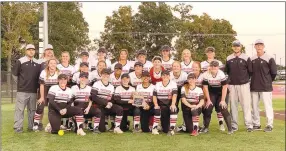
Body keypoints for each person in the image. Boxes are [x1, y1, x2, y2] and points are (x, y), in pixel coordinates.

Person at [225, 40, 253, 132]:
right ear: (232, 47)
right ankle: (234, 125)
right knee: (233, 105)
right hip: (232, 85)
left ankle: (249, 125)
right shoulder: (229, 58)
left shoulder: (246, 57)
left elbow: (250, 71)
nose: (236, 47)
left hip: (244, 84)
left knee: (246, 105)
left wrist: (245, 80)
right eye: (234, 46)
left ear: (240, 47)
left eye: (238, 46)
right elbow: (227, 71)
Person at [12, 44, 41, 133]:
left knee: (32, 110)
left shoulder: (38, 63)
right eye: (29, 49)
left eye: (33, 49)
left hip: (33, 91)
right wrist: (21, 84)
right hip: (22, 91)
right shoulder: (20, 61)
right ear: (26, 51)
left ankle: (31, 126)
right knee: (20, 109)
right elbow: (14, 75)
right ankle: (18, 127)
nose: (31, 51)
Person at [250, 39, 277, 132]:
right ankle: (256, 124)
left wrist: (268, 81)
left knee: (267, 106)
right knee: (254, 107)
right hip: (254, 86)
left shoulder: (269, 58)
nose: (259, 46)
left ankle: (269, 124)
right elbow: (250, 72)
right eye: (257, 45)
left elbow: (274, 73)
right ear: (254, 46)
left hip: (266, 87)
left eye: (260, 45)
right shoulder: (252, 58)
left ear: (263, 46)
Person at [201, 61, 233, 134]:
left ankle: (230, 129)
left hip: (222, 92)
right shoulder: (206, 74)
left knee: (223, 107)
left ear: (218, 67)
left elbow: (224, 87)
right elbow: (205, 87)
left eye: (215, 66)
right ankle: (206, 127)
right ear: (209, 67)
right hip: (212, 92)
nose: (213, 68)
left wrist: (222, 100)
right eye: (212, 66)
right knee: (208, 107)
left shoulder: (221, 74)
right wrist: (208, 100)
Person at [91, 69, 124, 133]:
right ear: (101, 75)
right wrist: (105, 103)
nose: (106, 76)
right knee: (102, 130)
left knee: (119, 109)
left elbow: (112, 98)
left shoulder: (111, 86)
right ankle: (97, 127)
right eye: (104, 74)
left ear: (109, 76)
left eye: (107, 74)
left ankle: (117, 127)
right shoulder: (96, 84)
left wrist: (111, 103)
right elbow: (94, 97)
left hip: (108, 106)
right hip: (99, 106)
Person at [200, 46, 226, 131]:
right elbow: (201, 76)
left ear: (214, 53)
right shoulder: (202, 63)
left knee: (219, 107)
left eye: (211, 52)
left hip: (218, 87)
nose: (210, 53)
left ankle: (221, 123)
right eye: (208, 52)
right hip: (208, 88)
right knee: (207, 107)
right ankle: (205, 125)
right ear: (206, 53)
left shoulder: (219, 62)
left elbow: (222, 75)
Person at [33, 58, 60, 132]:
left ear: (56, 64)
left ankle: (54, 124)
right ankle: (35, 124)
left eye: (54, 63)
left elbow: (59, 85)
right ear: (48, 64)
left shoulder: (59, 73)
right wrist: (42, 97)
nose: (53, 65)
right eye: (51, 63)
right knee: (40, 106)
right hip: (44, 90)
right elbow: (41, 85)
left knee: (54, 108)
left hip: (54, 91)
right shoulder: (44, 72)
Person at [152, 70, 178, 136]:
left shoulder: (173, 84)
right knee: (165, 129)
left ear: (169, 76)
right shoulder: (157, 84)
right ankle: (154, 128)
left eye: (167, 75)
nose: (165, 76)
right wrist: (156, 104)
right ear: (161, 76)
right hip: (161, 105)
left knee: (174, 109)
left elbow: (174, 95)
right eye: (163, 75)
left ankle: (172, 129)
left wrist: (173, 104)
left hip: (169, 105)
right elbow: (154, 96)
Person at [170, 61, 188, 132]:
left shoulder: (184, 74)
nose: (176, 67)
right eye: (174, 66)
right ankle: (172, 125)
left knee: (185, 108)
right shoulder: (170, 74)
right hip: (173, 92)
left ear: (180, 67)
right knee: (174, 107)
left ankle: (184, 124)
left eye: (177, 66)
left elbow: (187, 86)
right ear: (172, 67)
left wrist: (185, 95)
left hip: (183, 91)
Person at [106, 63, 123, 131]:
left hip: (119, 94)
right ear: (114, 69)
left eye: (119, 69)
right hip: (111, 94)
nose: (118, 70)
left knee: (117, 108)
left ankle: (115, 124)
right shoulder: (110, 76)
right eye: (116, 68)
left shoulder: (123, 76)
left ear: (122, 70)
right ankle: (108, 123)